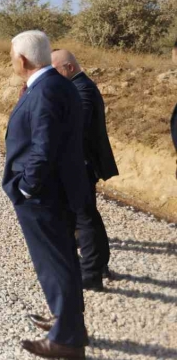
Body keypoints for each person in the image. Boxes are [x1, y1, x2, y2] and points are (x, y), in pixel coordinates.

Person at [3, 31, 91, 360]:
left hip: (44, 195)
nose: (12, 60)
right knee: (62, 260)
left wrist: (26, 187)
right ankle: (67, 323)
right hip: (58, 190)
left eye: (12, 55)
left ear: (22, 60)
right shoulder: (58, 84)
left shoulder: (46, 90)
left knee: (56, 264)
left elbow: (43, 146)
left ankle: (66, 339)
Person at [51, 49, 119, 290]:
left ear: (69, 68)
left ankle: (90, 272)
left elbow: (76, 128)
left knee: (84, 218)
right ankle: (98, 265)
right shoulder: (80, 87)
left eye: (56, 70)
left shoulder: (82, 89)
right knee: (88, 216)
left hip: (81, 164)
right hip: (81, 163)